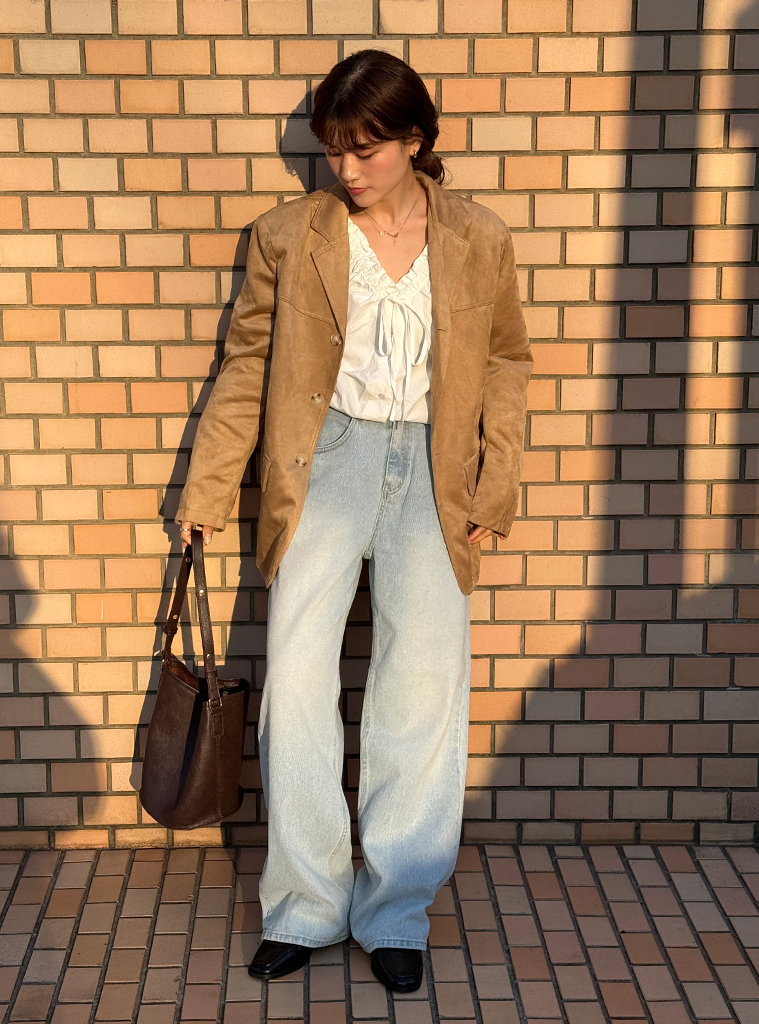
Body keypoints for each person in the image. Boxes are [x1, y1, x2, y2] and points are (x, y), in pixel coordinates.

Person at [175, 49, 532, 993]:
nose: (347, 168)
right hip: (323, 461)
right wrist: (209, 492)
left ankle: (396, 911)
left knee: (420, 690)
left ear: (414, 140)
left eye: (365, 149)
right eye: (334, 149)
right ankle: (303, 905)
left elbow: (506, 363)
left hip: (433, 473)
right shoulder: (289, 236)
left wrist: (495, 486)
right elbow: (248, 364)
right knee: (296, 682)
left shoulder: (478, 236)